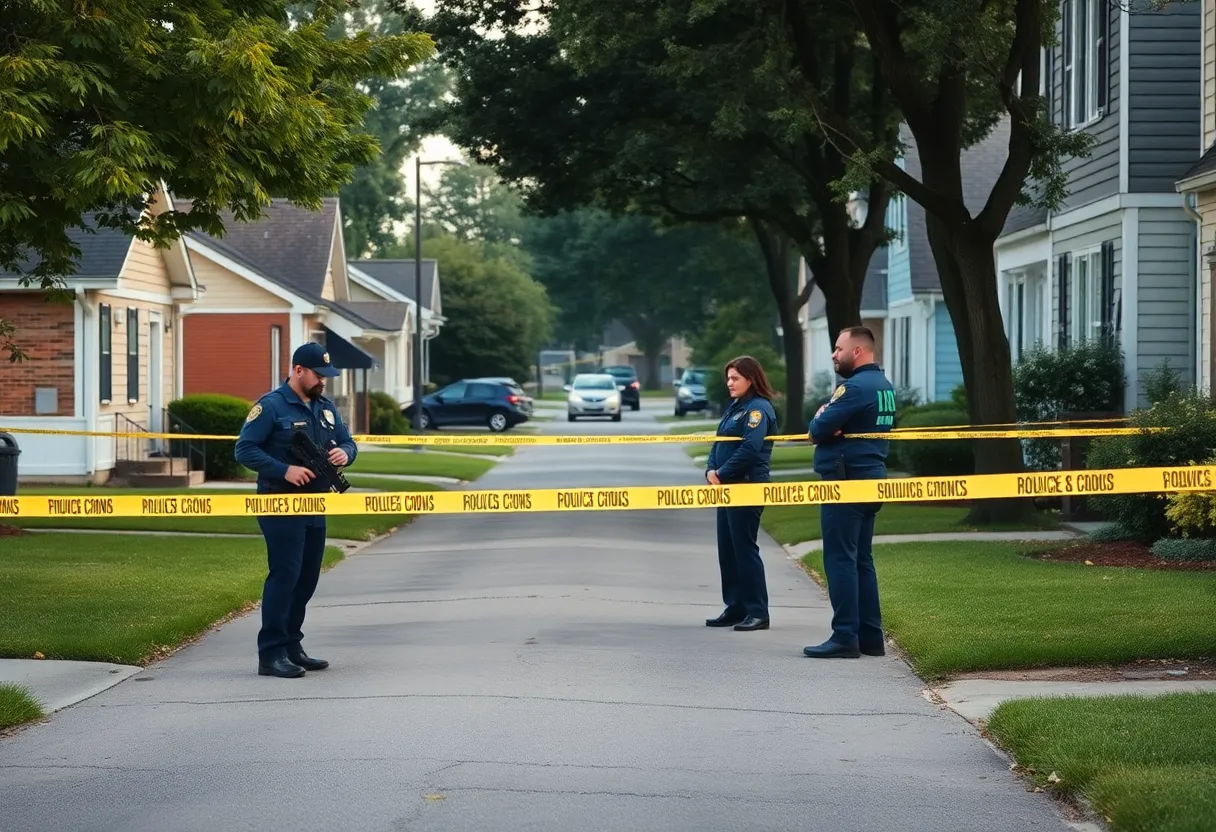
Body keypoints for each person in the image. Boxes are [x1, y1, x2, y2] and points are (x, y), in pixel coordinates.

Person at [235, 342, 358, 678]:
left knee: (306, 578)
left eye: (326, 376)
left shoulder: (325, 407)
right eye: (318, 374)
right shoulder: (272, 406)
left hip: (314, 503)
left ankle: (292, 646)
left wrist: (346, 454)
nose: (323, 381)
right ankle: (271, 653)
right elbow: (244, 450)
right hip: (280, 503)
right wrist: (284, 470)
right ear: (298, 370)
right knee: (285, 575)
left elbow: (348, 441)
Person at [802, 326, 896, 659]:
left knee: (840, 558)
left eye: (838, 348)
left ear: (857, 351)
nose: (834, 354)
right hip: (870, 479)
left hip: (845, 482)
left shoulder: (853, 388)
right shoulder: (883, 385)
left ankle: (844, 636)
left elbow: (817, 430)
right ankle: (870, 638)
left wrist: (822, 416)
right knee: (861, 560)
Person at [704, 355, 779, 632]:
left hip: (746, 486)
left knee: (744, 549)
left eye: (735, 378)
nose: (729, 383)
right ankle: (735, 607)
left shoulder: (758, 409)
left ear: (751, 379)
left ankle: (757, 612)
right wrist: (710, 469)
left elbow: (750, 447)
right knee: (728, 549)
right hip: (727, 488)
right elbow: (719, 442)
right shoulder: (736, 407)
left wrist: (722, 472)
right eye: (728, 378)